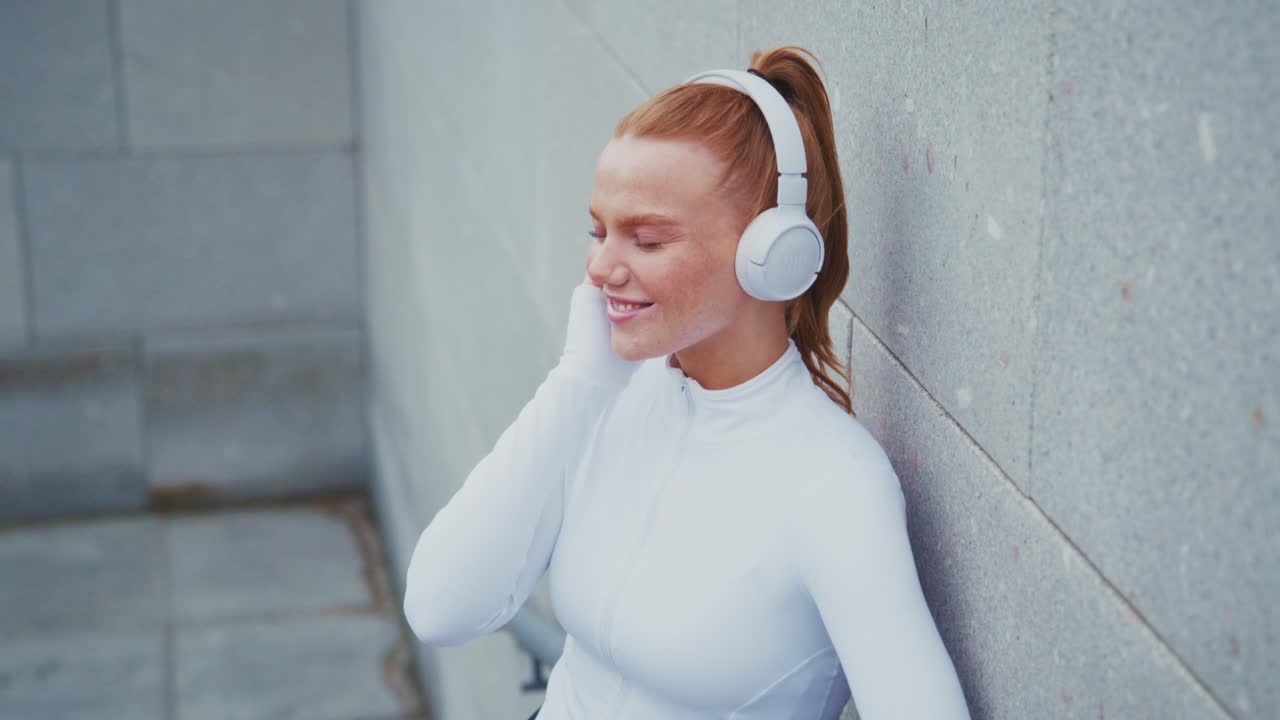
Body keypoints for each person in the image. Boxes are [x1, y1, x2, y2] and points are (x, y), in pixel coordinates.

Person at [403, 46, 971, 719]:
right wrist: (577, 385)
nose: (601, 267)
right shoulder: (608, 394)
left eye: (646, 239)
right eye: (599, 230)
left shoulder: (836, 483)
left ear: (772, 255)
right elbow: (440, 608)